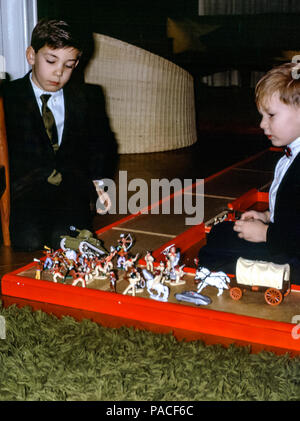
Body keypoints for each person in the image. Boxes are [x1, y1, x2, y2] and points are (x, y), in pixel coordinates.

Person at [1, 19, 118, 251]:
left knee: (66, 235)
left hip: (71, 187)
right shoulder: (7, 98)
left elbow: (103, 145)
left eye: (69, 65)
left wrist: (99, 182)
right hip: (24, 191)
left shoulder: (88, 97)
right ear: (31, 56)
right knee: (29, 241)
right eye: (51, 61)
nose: (59, 72)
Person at [197, 62, 300, 285]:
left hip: (292, 251)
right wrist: (268, 217)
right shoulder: (291, 155)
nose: (263, 124)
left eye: (271, 115)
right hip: (284, 238)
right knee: (220, 232)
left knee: (214, 252)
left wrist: (266, 234)